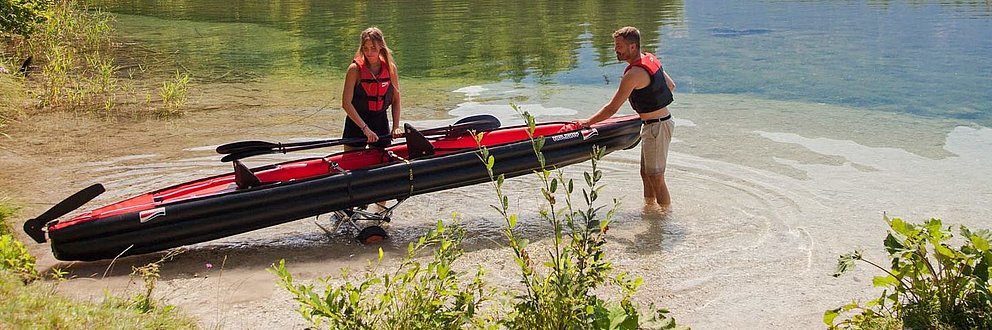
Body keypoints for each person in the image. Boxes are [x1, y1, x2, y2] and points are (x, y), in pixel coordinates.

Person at [576, 26, 676, 209]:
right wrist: (650, 102)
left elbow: (612, 107)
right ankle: (649, 209)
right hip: (655, 124)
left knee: (656, 176)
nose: (615, 50)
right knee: (646, 174)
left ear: (632, 47)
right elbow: (670, 85)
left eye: (619, 46)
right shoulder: (650, 59)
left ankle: (664, 219)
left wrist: (588, 122)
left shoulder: (633, 74)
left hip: (657, 127)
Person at [341, 27, 402, 151]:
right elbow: (346, 103)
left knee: (382, 162)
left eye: (373, 48)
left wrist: (396, 126)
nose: (369, 52)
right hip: (356, 123)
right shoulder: (354, 69)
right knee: (352, 162)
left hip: (380, 121)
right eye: (365, 48)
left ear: (381, 46)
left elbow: (396, 100)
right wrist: (365, 129)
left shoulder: (390, 69)